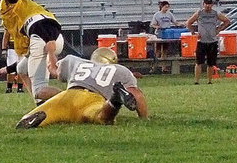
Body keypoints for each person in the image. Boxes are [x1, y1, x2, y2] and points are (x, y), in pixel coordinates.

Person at [15, 48, 148, 128]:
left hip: (69, 94)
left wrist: (51, 52)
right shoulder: (121, 70)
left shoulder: (74, 60)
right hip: (94, 99)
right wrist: (144, 118)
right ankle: (115, 100)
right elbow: (137, 95)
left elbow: (54, 70)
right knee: (102, 116)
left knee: (50, 111)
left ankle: (32, 116)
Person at [0, 0, 64, 104]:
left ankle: (71, 97)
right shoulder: (35, 12)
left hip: (46, 40)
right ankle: (40, 105)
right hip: (55, 39)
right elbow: (27, 57)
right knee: (21, 68)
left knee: (39, 90)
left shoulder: (20, 9)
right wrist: (2, 71)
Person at [186, 0, 231, 85]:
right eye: (206, 4)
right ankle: (197, 81)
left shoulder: (216, 13)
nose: (208, 6)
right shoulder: (199, 13)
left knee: (211, 63)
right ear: (203, 4)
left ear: (212, 5)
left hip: (212, 41)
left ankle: (209, 80)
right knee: (199, 62)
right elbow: (188, 23)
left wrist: (219, 30)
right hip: (201, 41)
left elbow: (227, 21)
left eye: (210, 4)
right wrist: (193, 32)